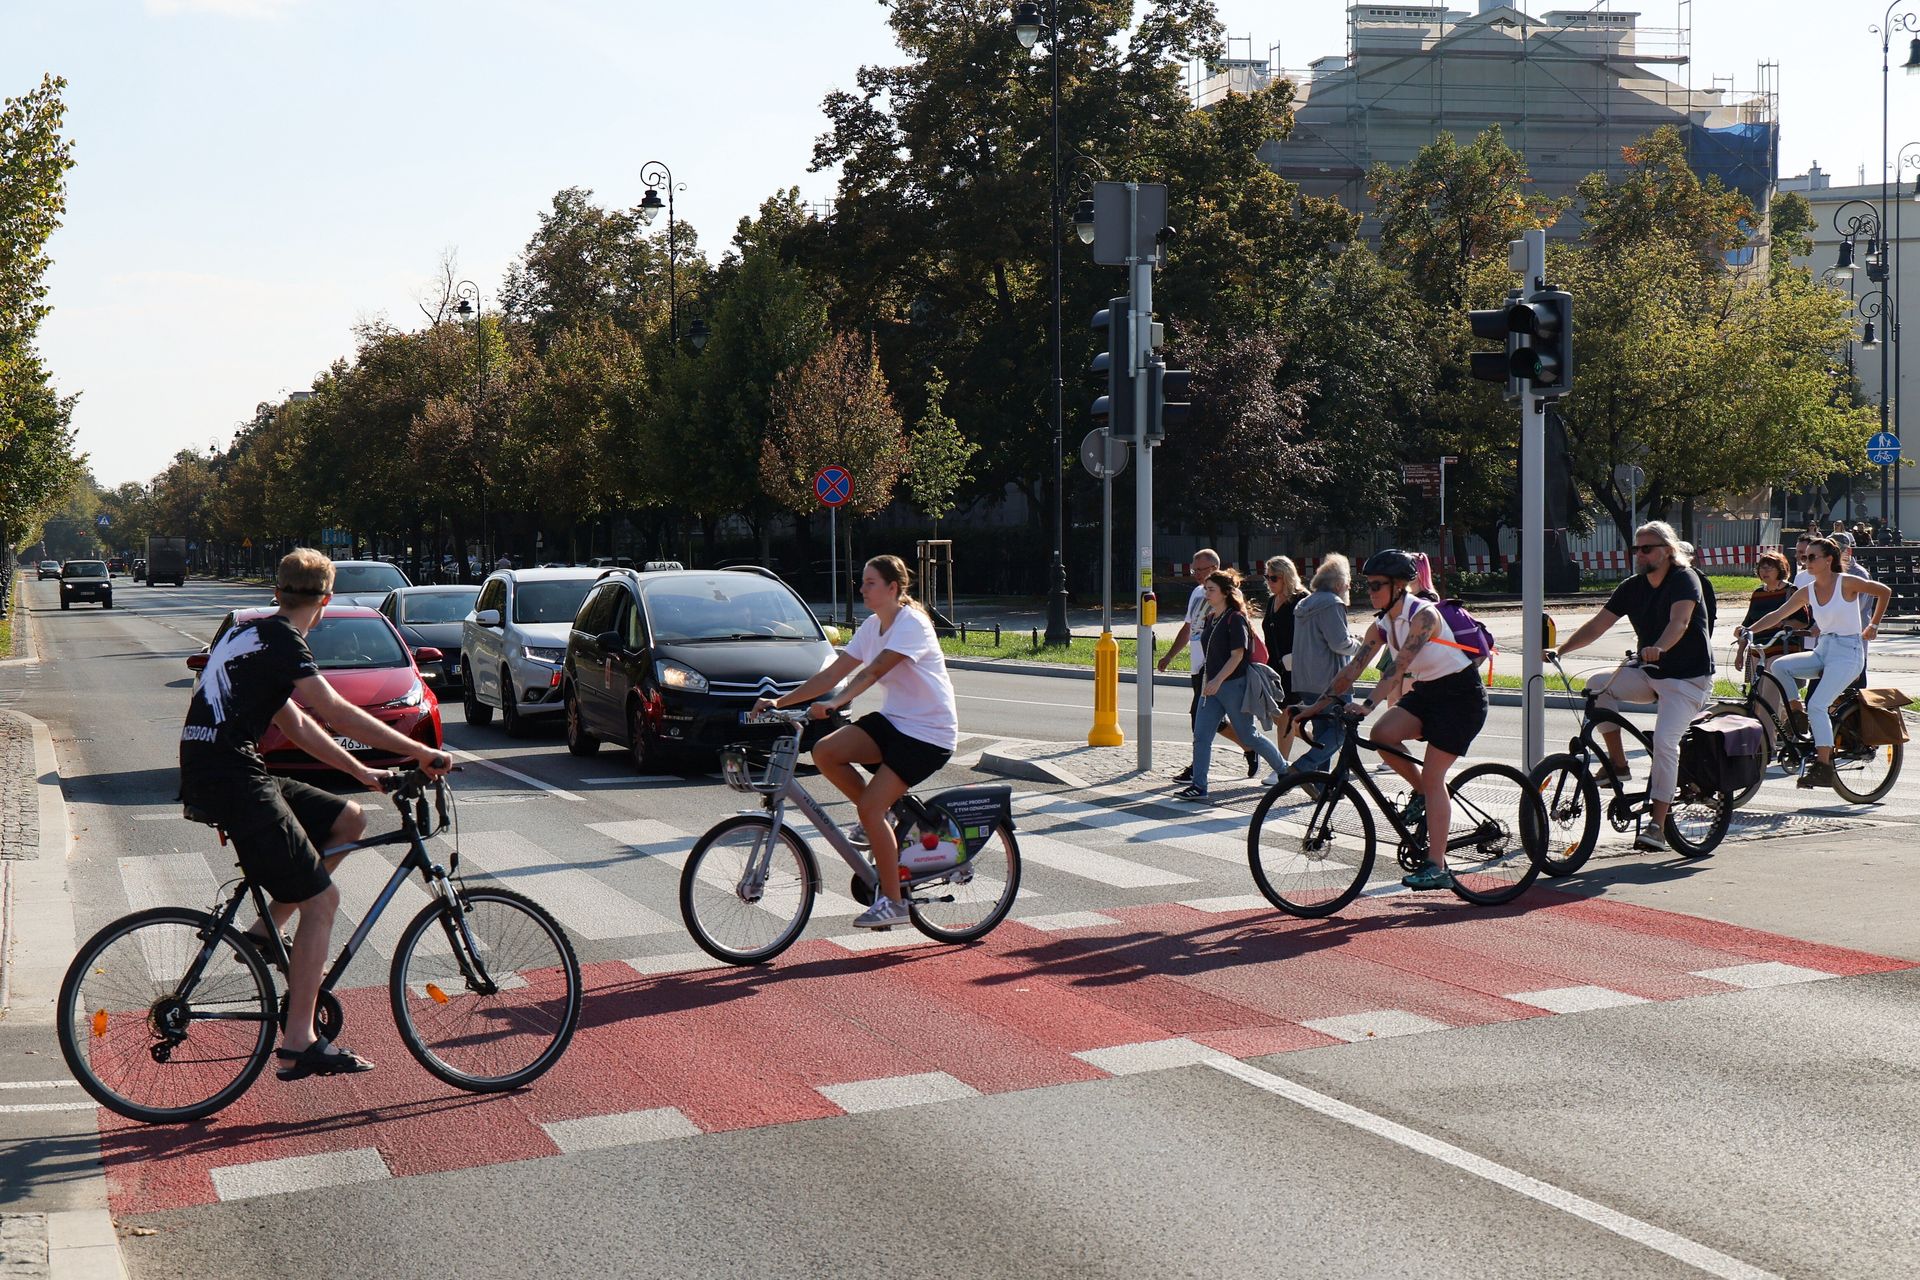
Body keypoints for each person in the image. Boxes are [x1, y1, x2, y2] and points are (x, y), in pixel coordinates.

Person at [179, 549, 451, 1081]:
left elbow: (299, 725)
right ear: (325, 601)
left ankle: (263, 930)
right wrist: (418, 752)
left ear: (278, 593)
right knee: (323, 901)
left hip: (223, 768)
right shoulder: (283, 641)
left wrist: (364, 774)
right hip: (233, 777)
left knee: (349, 819)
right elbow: (334, 710)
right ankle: (299, 1041)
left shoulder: (250, 635)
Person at [754, 555, 959, 930]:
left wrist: (835, 702)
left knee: (869, 808)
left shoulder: (911, 623)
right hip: (896, 723)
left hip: (928, 734)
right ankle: (879, 816)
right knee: (825, 751)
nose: (862, 589)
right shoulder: (872, 625)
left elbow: (876, 669)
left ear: (893, 588)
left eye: (870, 583)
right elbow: (833, 671)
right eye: (862, 582)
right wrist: (780, 702)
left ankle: (894, 903)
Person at [1294, 549, 1488, 890]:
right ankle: (1424, 798)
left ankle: (1437, 865)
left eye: (1377, 585)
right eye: (1367, 585)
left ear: (1400, 585)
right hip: (1429, 692)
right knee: (1383, 735)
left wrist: (1368, 704)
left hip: (1461, 697)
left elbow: (1397, 668)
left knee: (1433, 776)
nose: (1370, 592)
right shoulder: (1382, 623)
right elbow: (1353, 668)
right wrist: (1315, 708)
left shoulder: (1423, 615)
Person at [1552, 521, 1712, 852]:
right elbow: (1598, 624)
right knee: (1598, 686)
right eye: (1635, 549)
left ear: (1668, 551)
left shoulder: (1685, 579)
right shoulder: (1632, 586)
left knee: (1666, 743)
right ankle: (1618, 765)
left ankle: (1656, 825)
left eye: (1647, 548)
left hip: (1688, 679)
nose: (1639, 554)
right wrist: (1561, 650)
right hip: (1650, 674)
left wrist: (1661, 647)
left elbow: (1679, 622)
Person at [1743, 537, 1891, 788]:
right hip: (1825, 649)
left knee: (1818, 704)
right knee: (1779, 666)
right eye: (1804, 557)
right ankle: (1796, 711)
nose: (1806, 561)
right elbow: (1778, 615)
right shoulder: (1808, 590)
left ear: (1828, 560)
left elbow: (1884, 591)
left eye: (1812, 557)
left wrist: (1873, 625)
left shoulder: (1846, 582)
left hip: (1848, 652)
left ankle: (1823, 765)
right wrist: (1748, 630)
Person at [1173, 571, 1289, 800]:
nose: (1206, 594)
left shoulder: (1235, 618)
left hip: (1234, 686)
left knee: (1249, 736)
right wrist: (1209, 680)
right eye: (1206, 589)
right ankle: (1199, 786)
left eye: (1211, 590)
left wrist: (1217, 680)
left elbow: (1237, 655)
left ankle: (1285, 770)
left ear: (1225, 592)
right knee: (1201, 736)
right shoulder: (1211, 617)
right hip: (1212, 688)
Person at [1158, 549, 1256, 781]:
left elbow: (1241, 633)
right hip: (1197, 667)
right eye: (1193, 570)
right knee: (1214, 722)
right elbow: (1188, 628)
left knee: (1199, 718)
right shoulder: (1195, 593)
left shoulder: (1229, 595)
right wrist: (1170, 655)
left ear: (1213, 569)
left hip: (1217, 668)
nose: (1195, 574)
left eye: (1199, 570)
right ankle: (1250, 747)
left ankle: (1198, 771)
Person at [1277, 554, 1362, 776]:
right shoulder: (1333, 603)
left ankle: (1320, 781)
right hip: (1331, 680)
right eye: (1347, 582)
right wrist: (1359, 645)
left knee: (1324, 730)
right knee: (1341, 731)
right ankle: (1303, 769)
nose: (1349, 586)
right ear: (1338, 584)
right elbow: (1339, 643)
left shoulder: (1306, 603)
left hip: (1305, 678)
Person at [1260, 556, 1309, 706]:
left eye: (1274, 578)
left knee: (1287, 717)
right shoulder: (1272, 600)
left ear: (1286, 577)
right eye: (1267, 577)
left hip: (1296, 669)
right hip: (1274, 668)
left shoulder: (1302, 600)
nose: (1269, 582)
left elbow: (1312, 635)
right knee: (1279, 715)